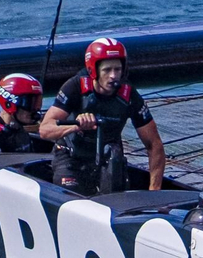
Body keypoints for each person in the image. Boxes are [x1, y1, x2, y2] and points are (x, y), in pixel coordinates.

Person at [38, 37, 165, 193]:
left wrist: (154, 190)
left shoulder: (129, 95)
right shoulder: (75, 86)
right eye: (107, 70)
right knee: (73, 196)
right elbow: (44, 130)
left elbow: (154, 144)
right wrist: (74, 126)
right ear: (94, 70)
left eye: (117, 69)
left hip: (107, 160)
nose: (113, 76)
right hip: (71, 159)